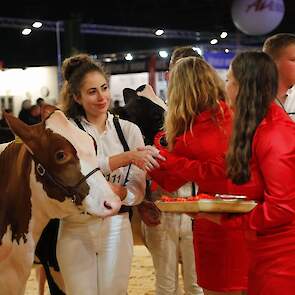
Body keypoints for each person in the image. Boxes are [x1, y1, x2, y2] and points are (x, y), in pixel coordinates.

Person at [149, 51, 295, 294]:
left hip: (274, 253)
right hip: (258, 246)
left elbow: (283, 206)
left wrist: (231, 218)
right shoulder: (254, 126)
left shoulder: (273, 132)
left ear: (241, 86)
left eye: (228, 80)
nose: (223, 86)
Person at [56, 53, 162, 295]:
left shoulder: (129, 130)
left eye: (103, 88)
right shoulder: (67, 131)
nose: (101, 96)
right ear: (77, 97)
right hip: (75, 226)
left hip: (117, 226)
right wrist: (125, 158)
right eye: (92, 91)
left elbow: (138, 189)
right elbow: (78, 173)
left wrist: (124, 193)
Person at [148, 56, 249, 295]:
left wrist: (159, 155)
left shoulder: (194, 129)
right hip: (233, 222)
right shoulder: (231, 117)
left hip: (217, 224)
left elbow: (172, 175)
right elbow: (170, 176)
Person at [141, 46, 204, 295]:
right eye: (178, 72)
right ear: (168, 75)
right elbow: (139, 164)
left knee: (197, 285)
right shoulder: (151, 115)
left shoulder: (213, 118)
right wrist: (142, 201)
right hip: (162, 207)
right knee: (166, 285)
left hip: (199, 209)